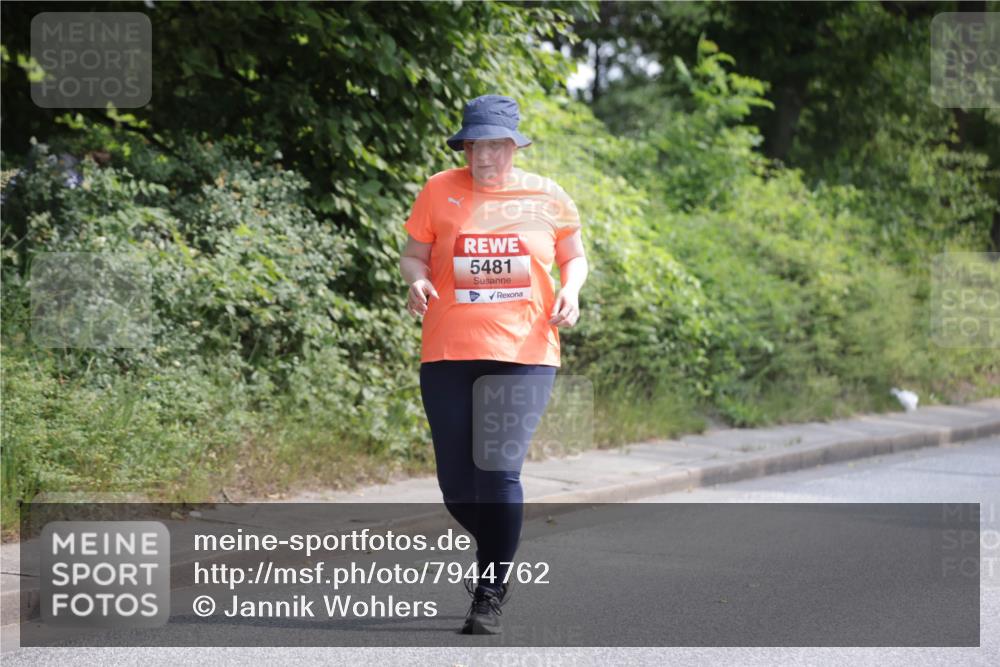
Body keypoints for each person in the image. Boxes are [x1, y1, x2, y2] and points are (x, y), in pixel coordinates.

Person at [399, 94, 588, 635]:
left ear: (514, 145)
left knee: (498, 472)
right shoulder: (439, 189)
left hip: (524, 351)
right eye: (475, 144)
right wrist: (416, 278)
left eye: (495, 146)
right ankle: (500, 549)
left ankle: (490, 591)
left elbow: (573, 256)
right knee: (457, 486)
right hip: (447, 350)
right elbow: (413, 252)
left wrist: (572, 290)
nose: (484, 157)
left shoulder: (547, 196)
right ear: (465, 144)